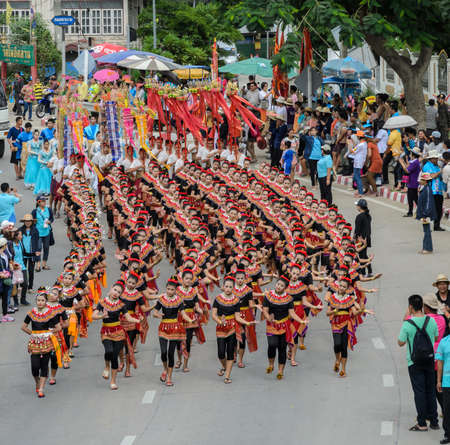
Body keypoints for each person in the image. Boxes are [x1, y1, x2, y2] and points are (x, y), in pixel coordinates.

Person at [398, 294, 439, 432]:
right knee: (431, 391)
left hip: (414, 362)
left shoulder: (408, 324)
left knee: (419, 392)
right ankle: (434, 421)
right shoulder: (431, 321)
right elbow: (436, 336)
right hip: (429, 359)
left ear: (410, 307)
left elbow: (400, 342)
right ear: (422, 305)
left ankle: (422, 423)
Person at [92, 281, 139, 390]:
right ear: (111, 289)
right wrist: (101, 316)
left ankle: (113, 381)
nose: (116, 293)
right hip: (106, 332)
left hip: (118, 332)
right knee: (108, 351)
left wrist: (137, 320)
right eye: (115, 290)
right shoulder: (102, 302)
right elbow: (93, 316)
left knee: (114, 356)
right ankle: (107, 367)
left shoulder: (121, 305)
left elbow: (128, 318)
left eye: (119, 292)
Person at [21, 290, 61, 398]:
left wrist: (48, 333)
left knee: (44, 365)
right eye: (38, 300)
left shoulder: (50, 314)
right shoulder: (31, 313)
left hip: (46, 343)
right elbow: (23, 327)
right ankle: (37, 382)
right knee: (34, 367)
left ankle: (41, 388)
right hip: (35, 343)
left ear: (46, 302)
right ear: (36, 301)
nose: (40, 302)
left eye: (42, 300)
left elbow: (58, 327)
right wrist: (33, 333)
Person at [212, 276, 252, 384]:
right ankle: (225, 367)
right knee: (221, 353)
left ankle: (227, 376)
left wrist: (247, 322)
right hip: (220, 328)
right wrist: (220, 321)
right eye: (226, 286)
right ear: (223, 287)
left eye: (230, 287)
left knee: (230, 352)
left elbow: (237, 317)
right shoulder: (217, 299)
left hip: (232, 328)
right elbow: (214, 315)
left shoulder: (236, 300)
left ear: (233, 288)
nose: (228, 288)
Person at [153, 278, 191, 387]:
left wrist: (189, 320)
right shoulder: (161, 299)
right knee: (164, 352)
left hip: (175, 328)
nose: (170, 291)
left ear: (176, 290)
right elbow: (155, 312)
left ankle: (169, 377)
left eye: (172, 289)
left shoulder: (179, 300)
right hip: (163, 327)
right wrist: (158, 315)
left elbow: (183, 314)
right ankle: (165, 369)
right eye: (168, 289)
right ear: (166, 289)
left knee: (170, 353)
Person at [422, 150, 445, 231]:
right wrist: (440, 172)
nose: (436, 159)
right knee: (430, 209)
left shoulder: (437, 166)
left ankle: (436, 225)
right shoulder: (427, 166)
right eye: (435, 158)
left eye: (437, 158)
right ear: (431, 159)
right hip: (431, 190)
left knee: (439, 209)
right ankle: (426, 224)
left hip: (438, 190)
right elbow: (431, 176)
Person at [18, 214, 39, 301]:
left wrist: (37, 254)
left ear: (32, 222)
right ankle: (22, 286)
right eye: (26, 221)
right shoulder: (20, 230)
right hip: (22, 254)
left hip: (31, 253)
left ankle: (30, 287)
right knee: (21, 271)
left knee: (31, 271)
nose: (28, 222)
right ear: (24, 222)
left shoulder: (35, 230)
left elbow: (37, 243)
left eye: (29, 221)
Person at [416, 172, 437, 254]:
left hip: (426, 214)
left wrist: (425, 214)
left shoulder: (427, 189)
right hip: (424, 213)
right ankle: (426, 247)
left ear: (425, 181)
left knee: (427, 231)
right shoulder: (424, 188)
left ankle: (427, 248)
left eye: (421, 179)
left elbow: (428, 203)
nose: (420, 181)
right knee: (426, 230)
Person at [31, 195, 54, 272]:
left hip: (47, 232)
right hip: (38, 233)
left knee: (46, 248)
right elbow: (31, 221)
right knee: (38, 248)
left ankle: (44, 264)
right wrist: (34, 222)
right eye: (43, 201)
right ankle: (38, 265)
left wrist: (49, 221)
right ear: (38, 202)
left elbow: (52, 218)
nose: (44, 202)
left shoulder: (49, 210)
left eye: (45, 200)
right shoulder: (35, 211)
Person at [437, 327, 450, 444]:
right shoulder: (444, 342)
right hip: (447, 381)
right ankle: (448, 434)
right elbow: (439, 362)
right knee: (447, 409)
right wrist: (439, 381)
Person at [399, 147, 421, 217]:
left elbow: (407, 171)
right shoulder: (414, 162)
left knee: (411, 198)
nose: (409, 155)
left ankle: (411, 212)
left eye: (411, 154)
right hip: (412, 182)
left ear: (413, 155)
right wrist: (404, 163)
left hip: (413, 182)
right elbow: (408, 168)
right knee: (414, 198)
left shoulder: (415, 162)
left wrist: (402, 163)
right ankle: (414, 211)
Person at [354, 199, 372, 277]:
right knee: (364, 255)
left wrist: (354, 238)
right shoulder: (368, 215)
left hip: (361, 239)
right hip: (367, 237)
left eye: (357, 205)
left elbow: (357, 229)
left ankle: (363, 273)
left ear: (359, 207)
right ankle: (370, 271)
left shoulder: (359, 216)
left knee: (361, 256)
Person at [0, 237, 14, 322]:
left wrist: (11, 266)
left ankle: (5, 315)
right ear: (4, 245)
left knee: (5, 298)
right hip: (1, 279)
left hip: (6, 280)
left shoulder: (5, 254)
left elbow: (8, 263)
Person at [350, 131, 368, 197]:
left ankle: (361, 192)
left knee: (357, 177)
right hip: (359, 161)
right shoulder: (364, 143)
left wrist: (349, 143)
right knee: (356, 176)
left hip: (358, 162)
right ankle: (359, 190)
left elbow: (352, 151)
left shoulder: (361, 145)